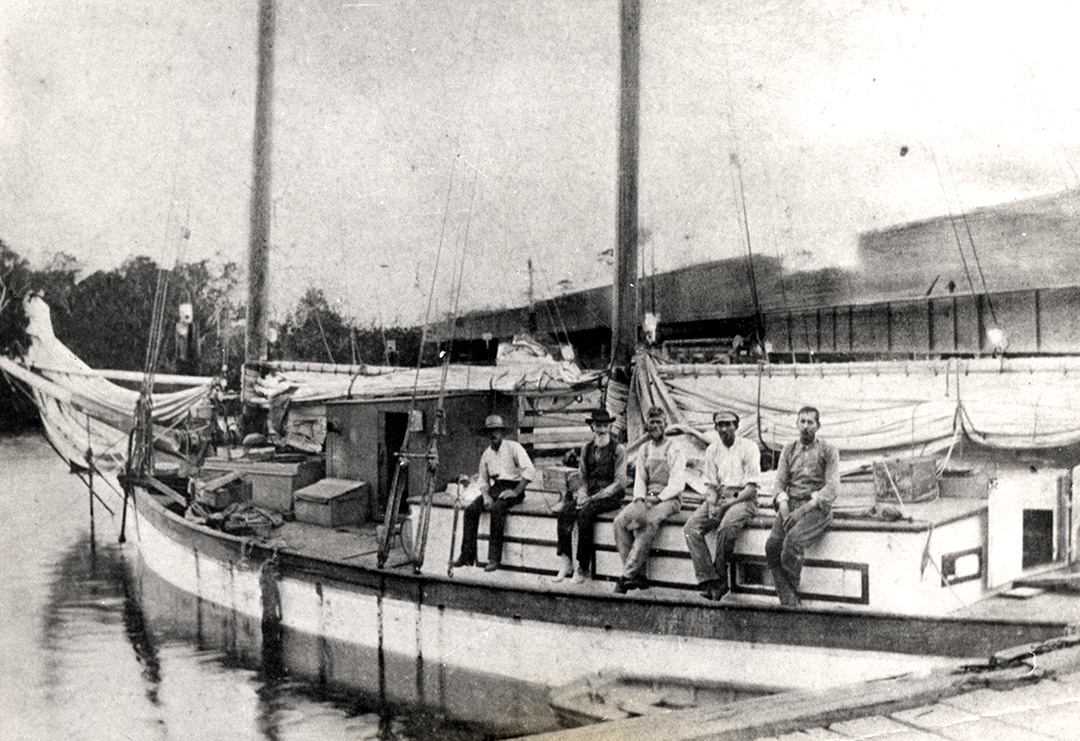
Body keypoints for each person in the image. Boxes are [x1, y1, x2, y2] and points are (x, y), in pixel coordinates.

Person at [682, 411, 761, 601]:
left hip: (742, 498)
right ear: (716, 428)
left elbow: (751, 488)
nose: (724, 429)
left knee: (725, 528)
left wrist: (726, 505)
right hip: (720, 495)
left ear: (736, 425)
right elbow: (710, 485)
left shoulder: (749, 447)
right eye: (720, 425)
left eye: (728, 424)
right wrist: (711, 503)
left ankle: (721, 580)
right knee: (691, 528)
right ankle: (708, 578)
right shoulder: (712, 450)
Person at [765, 406, 840, 606]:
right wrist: (784, 509)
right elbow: (779, 483)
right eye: (802, 422)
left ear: (818, 426)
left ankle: (790, 596)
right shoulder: (788, 450)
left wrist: (802, 511)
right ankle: (788, 595)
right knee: (772, 546)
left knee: (792, 542)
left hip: (815, 508)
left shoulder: (828, 450)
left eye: (810, 422)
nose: (805, 426)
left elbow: (832, 487)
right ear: (797, 424)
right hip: (791, 506)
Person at [612, 406, 687, 593]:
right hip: (648, 496)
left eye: (658, 423)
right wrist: (638, 499)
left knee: (648, 522)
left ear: (665, 425)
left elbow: (677, 484)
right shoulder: (644, 449)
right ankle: (638, 576)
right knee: (620, 521)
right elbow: (640, 479)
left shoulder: (675, 449)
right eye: (651, 423)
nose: (655, 426)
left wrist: (656, 498)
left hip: (669, 498)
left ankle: (626, 575)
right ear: (647, 425)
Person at [453, 414, 536, 572]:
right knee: (470, 510)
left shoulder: (514, 447)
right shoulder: (486, 454)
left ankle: (493, 558)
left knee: (498, 509)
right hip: (495, 488)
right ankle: (467, 556)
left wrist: (516, 491)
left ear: (502, 433)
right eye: (490, 432)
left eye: (496, 431)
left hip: (513, 487)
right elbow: (483, 480)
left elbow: (530, 470)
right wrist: (485, 495)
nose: (493, 435)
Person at [553, 409, 628, 583]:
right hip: (590, 494)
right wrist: (582, 494)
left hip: (611, 496)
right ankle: (566, 562)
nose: (601, 430)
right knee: (565, 512)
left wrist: (592, 498)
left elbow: (620, 482)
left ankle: (583, 567)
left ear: (610, 427)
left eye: (605, 426)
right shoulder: (586, 449)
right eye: (598, 426)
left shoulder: (618, 450)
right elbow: (582, 477)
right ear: (592, 427)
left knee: (585, 514)